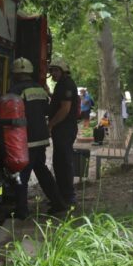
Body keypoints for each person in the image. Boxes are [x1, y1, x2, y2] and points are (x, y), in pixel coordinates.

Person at [8, 58, 67, 217]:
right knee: (42, 171)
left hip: (25, 140)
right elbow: (47, 110)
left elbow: (9, 112)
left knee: (22, 175)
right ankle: (58, 203)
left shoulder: (16, 90)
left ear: (17, 74)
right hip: (41, 138)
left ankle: (21, 211)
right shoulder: (40, 89)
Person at [47, 58, 79, 207]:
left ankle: (68, 195)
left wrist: (51, 124)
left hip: (65, 129)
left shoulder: (67, 84)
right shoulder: (61, 84)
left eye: (56, 70)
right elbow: (59, 102)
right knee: (59, 161)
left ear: (63, 71)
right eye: (52, 70)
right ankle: (61, 194)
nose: (53, 73)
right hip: (62, 129)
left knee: (64, 162)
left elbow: (65, 109)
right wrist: (49, 94)